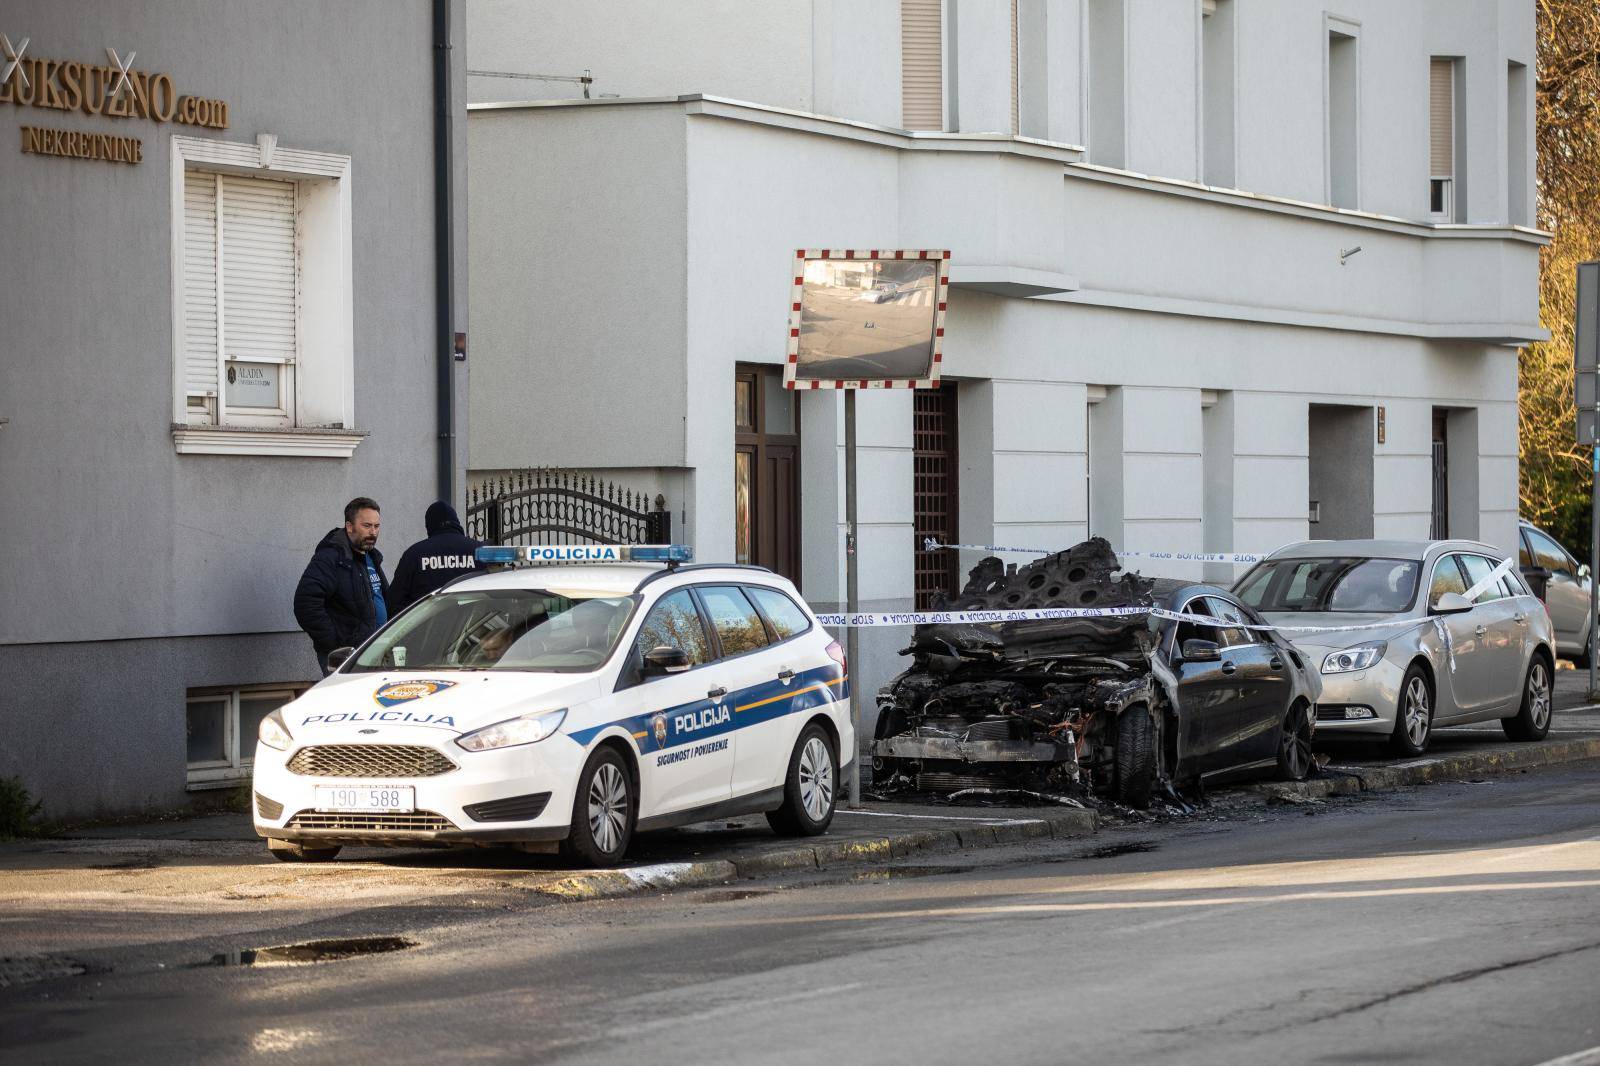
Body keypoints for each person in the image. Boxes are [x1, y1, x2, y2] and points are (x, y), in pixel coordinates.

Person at [293, 497, 390, 674]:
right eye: (367, 526)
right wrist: (336, 644)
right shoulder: (331, 558)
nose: (373, 533)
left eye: (377, 526)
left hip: (376, 651)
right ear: (349, 526)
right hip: (346, 656)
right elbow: (305, 604)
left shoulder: (372, 556)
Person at [387, 501, 486, 614]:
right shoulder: (481, 551)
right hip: (475, 625)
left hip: (427, 627)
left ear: (429, 525)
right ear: (457, 522)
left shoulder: (414, 554)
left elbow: (394, 602)